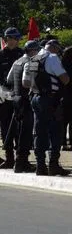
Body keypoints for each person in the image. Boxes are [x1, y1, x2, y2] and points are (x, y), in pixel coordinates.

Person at [23, 39, 71, 177]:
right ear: (54, 48)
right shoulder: (52, 58)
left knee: (39, 132)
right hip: (50, 100)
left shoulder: (31, 60)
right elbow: (65, 79)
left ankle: (40, 165)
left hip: (35, 98)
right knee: (55, 132)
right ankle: (53, 165)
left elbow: (25, 83)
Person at [4, 40, 40, 173]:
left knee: (18, 131)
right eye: (37, 50)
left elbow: (9, 80)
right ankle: (21, 162)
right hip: (26, 100)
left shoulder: (17, 61)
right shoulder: (30, 62)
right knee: (25, 132)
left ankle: (20, 160)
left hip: (15, 99)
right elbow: (28, 81)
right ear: (32, 51)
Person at [0, 27, 24, 168]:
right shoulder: (1, 55)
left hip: (19, 94)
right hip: (4, 95)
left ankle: (20, 158)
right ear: (6, 39)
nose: (14, 41)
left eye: (16, 39)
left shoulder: (22, 54)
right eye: (12, 39)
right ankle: (9, 158)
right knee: (5, 127)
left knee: (20, 127)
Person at [60, 46, 72, 151]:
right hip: (70, 95)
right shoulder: (70, 65)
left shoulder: (61, 63)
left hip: (63, 95)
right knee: (71, 120)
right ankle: (71, 142)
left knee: (64, 121)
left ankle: (63, 143)